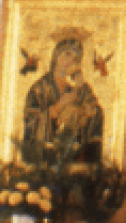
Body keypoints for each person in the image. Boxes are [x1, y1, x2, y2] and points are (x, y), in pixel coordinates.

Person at [23, 33, 105, 173]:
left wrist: (89, 113)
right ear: (56, 56)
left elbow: (96, 113)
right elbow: (30, 124)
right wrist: (56, 108)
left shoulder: (80, 89)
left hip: (75, 161)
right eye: (67, 55)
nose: (71, 61)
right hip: (43, 164)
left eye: (76, 59)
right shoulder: (39, 89)